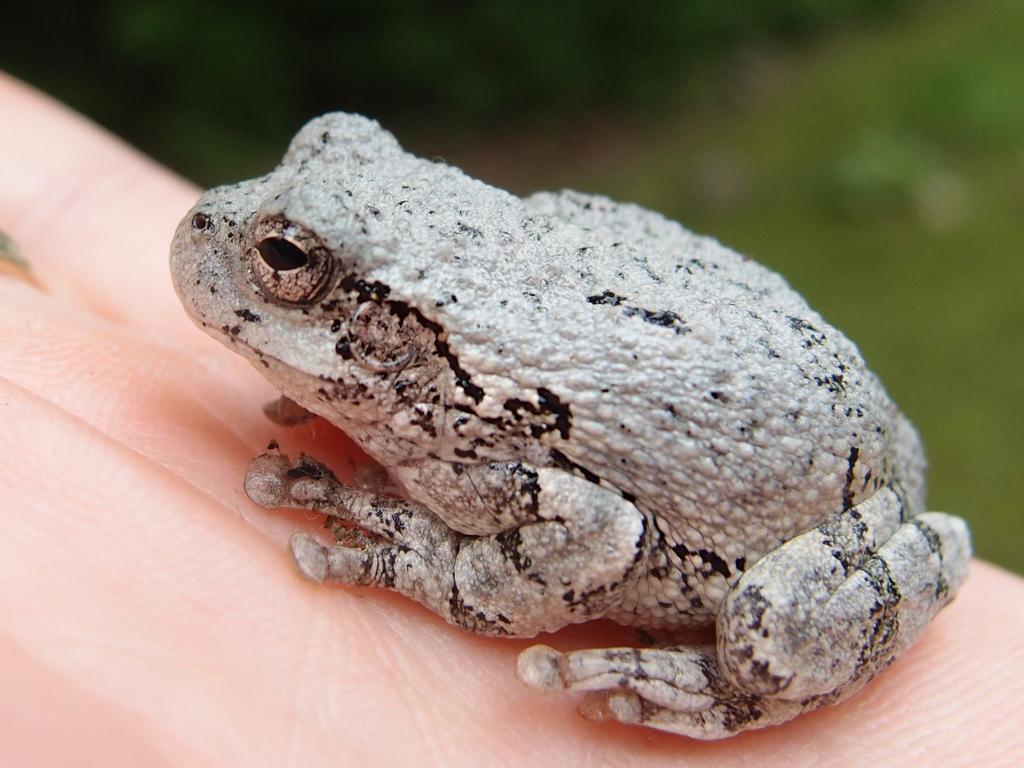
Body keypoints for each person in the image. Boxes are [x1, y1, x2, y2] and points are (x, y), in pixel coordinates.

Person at [1, 72, 1021, 766]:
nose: (219, 231)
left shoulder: (476, 418)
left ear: (389, 333)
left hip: (805, 528)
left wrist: (443, 570)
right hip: (766, 380)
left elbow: (597, 532)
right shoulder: (437, 385)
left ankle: (737, 693)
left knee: (764, 640)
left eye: (284, 265)